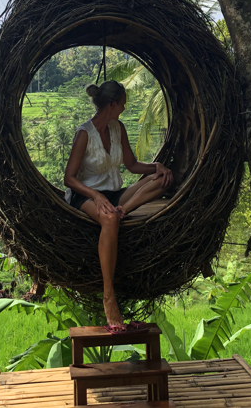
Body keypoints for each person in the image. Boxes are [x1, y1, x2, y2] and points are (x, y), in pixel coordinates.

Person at [64, 80, 173, 328]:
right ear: (112, 104)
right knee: (110, 219)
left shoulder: (118, 128)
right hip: (86, 196)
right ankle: (108, 295)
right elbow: (69, 178)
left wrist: (157, 167)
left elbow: (132, 166)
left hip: (115, 194)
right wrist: (95, 195)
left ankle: (127, 207)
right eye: (122, 104)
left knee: (163, 179)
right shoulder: (84, 134)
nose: (124, 108)